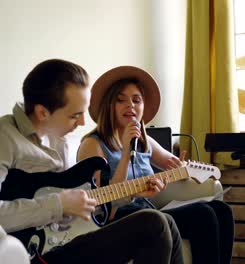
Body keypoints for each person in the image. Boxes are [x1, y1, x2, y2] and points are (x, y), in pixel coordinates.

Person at [0, 59, 184, 264]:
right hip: (32, 253)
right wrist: (58, 204)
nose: (82, 123)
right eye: (75, 115)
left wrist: (132, 193)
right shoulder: (5, 137)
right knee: (153, 222)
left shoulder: (56, 137)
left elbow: (77, 207)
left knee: (166, 221)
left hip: (64, 240)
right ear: (42, 112)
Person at [77, 65, 235, 264]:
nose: (130, 106)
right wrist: (126, 153)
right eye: (120, 100)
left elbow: (172, 163)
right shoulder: (93, 144)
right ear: (109, 105)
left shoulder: (145, 140)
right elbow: (102, 203)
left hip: (149, 211)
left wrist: (181, 169)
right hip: (121, 220)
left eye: (136, 100)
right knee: (203, 215)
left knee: (221, 210)